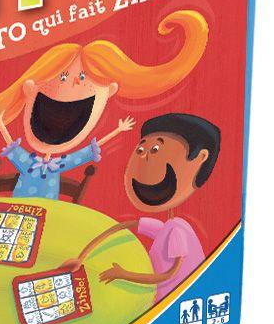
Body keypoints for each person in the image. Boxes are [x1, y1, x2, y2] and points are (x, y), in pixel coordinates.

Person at [0, 11, 209, 200]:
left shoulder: (57, 164)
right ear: (29, 88)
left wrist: (118, 131)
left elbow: (87, 151)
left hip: (50, 219)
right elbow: (13, 145)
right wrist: (0, 122)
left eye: (82, 79)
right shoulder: (28, 162)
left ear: (109, 92)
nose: (73, 86)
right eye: (63, 76)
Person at [62, 113, 220, 301]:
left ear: (200, 158)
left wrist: (123, 274)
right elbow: (123, 226)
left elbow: (169, 274)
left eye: (155, 149)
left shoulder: (177, 230)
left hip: (170, 301)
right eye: (140, 149)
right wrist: (81, 257)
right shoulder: (167, 227)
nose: (144, 156)